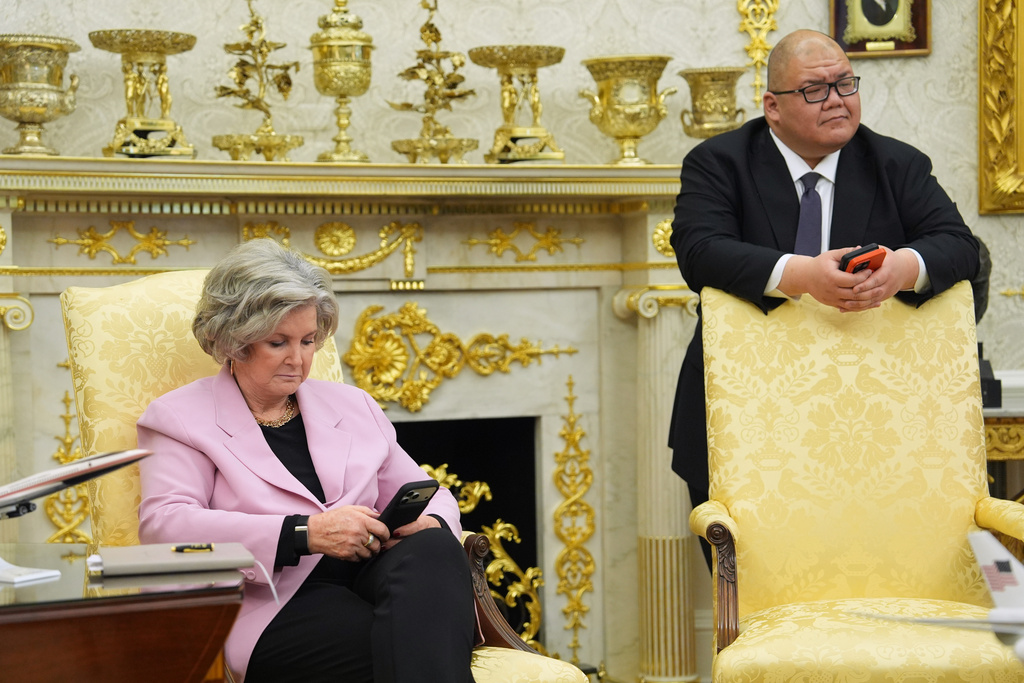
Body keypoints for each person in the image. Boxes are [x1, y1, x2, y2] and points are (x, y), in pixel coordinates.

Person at [668, 29, 980, 569]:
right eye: (816, 89)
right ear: (773, 106)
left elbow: (959, 246)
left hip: (875, 429)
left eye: (845, 84)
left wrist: (901, 268)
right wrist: (801, 275)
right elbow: (699, 251)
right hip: (744, 422)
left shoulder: (895, 164)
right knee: (753, 591)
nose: (838, 99)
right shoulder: (719, 163)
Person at [137, 239, 477, 683]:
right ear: (233, 340)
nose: (298, 360)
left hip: (373, 575)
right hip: (274, 600)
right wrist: (304, 533)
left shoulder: (353, 404)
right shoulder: (179, 417)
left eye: (309, 340)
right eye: (278, 342)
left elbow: (434, 496)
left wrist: (428, 522)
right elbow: (166, 526)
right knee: (417, 645)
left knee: (432, 548)